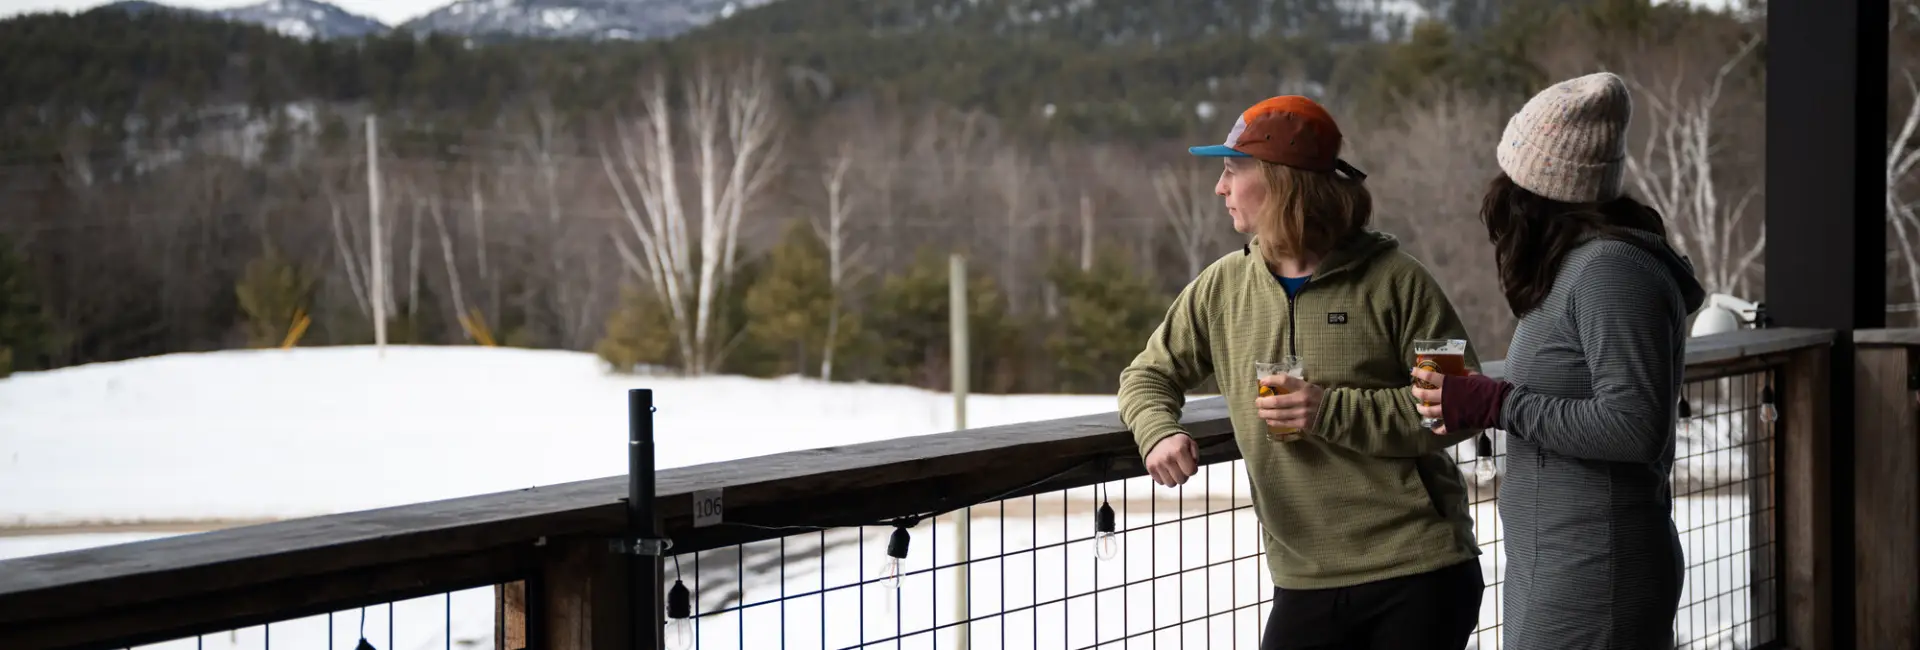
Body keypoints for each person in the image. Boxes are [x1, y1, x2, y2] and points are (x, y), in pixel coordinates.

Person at [1118, 95, 1486, 650]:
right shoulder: (1222, 288)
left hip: (1419, 569)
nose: (1220, 189)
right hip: (1302, 578)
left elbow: (1458, 407)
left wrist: (1327, 409)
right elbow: (1146, 375)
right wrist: (1158, 430)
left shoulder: (1398, 282)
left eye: (1231, 171)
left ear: (1282, 183)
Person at [1410, 72, 1706, 650]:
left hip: (1597, 574)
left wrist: (1499, 403)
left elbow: (1634, 427)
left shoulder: (1609, 272)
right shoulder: (1581, 268)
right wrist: (1487, 402)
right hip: (1565, 565)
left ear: (1537, 187)